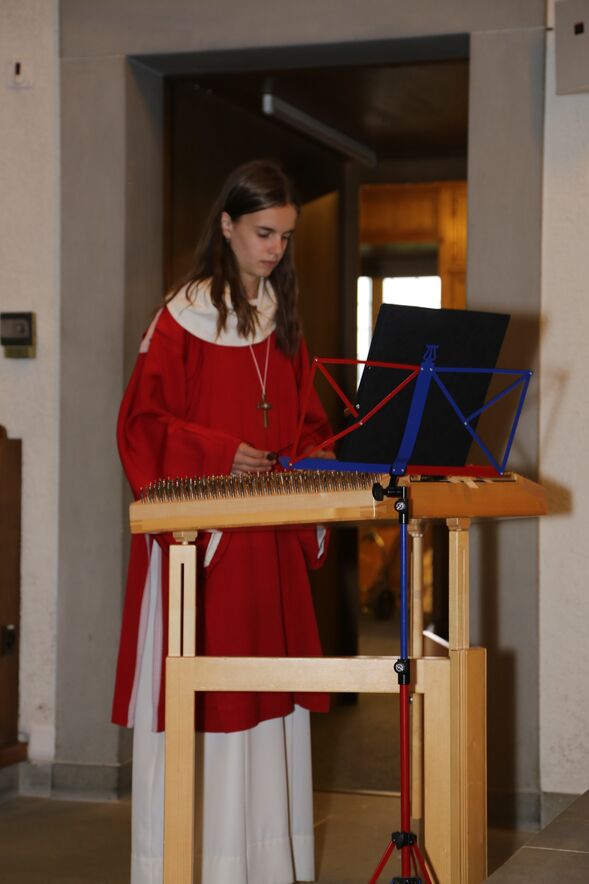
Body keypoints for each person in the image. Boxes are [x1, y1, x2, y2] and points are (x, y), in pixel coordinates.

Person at [112, 160, 333, 884]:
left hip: (268, 548)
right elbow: (140, 426)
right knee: (212, 700)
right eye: (264, 233)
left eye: (285, 237)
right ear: (228, 225)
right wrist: (217, 452)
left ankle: (264, 867)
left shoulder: (282, 320)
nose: (275, 249)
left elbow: (307, 425)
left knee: (266, 704)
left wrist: (321, 462)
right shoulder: (182, 318)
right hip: (203, 550)